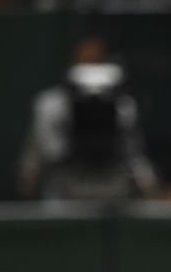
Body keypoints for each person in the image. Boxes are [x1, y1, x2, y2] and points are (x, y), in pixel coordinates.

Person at [18, 35, 160, 201]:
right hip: (66, 187)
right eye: (86, 60)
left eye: (96, 61)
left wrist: (148, 182)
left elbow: (133, 151)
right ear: (74, 62)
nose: (91, 67)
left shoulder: (124, 106)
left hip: (112, 189)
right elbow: (38, 151)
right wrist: (29, 174)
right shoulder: (50, 105)